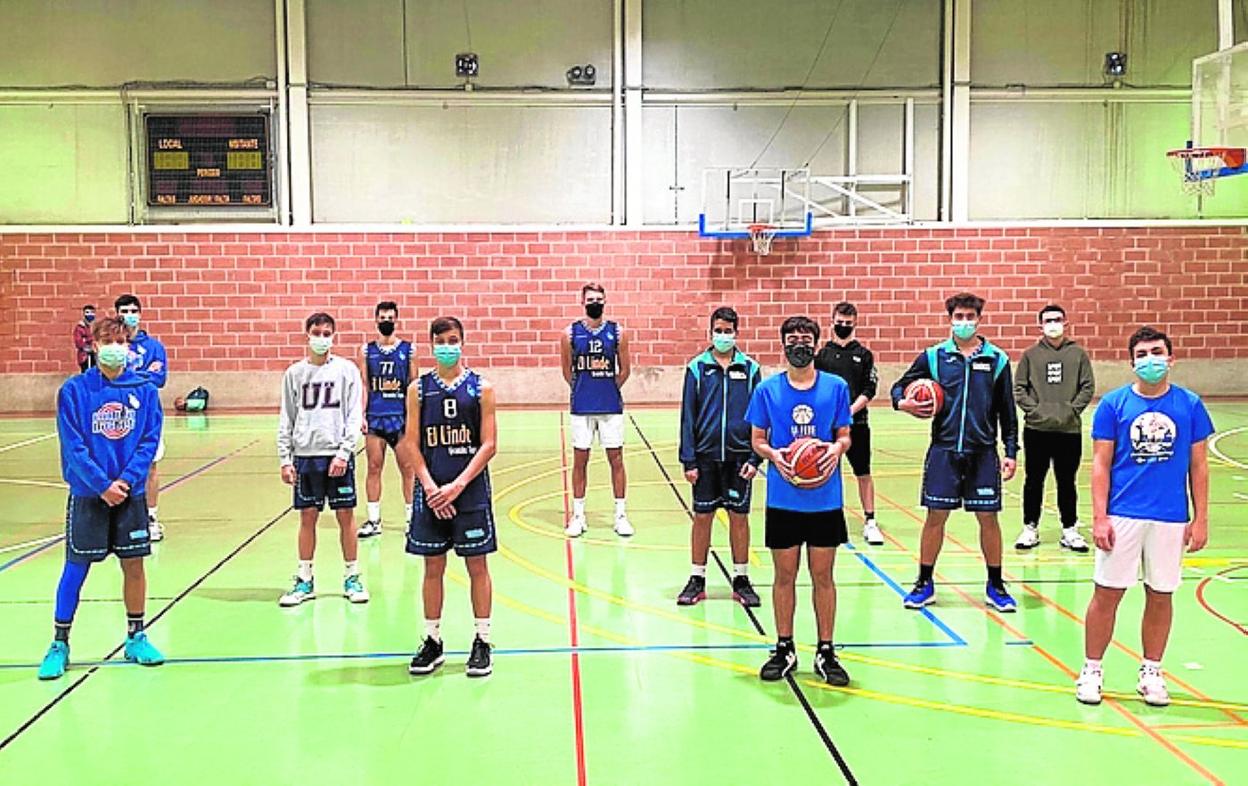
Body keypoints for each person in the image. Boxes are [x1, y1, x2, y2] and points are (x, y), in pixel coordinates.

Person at [1075, 327, 1212, 707]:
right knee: (1107, 593)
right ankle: (1091, 669)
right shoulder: (1114, 406)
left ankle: (1151, 670)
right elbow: (1101, 464)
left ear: (1171, 358)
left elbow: (1199, 467)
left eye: (1157, 352)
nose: (1150, 359)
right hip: (1123, 514)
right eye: (1142, 354)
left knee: (1161, 594)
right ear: (1132, 362)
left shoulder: (1190, 405)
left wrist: (1200, 519)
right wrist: (1100, 518)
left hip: (1169, 517)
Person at [38, 316, 165, 680]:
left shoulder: (144, 390)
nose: (114, 348)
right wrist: (101, 484)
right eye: (107, 341)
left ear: (129, 346)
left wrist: (125, 481)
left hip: (130, 494)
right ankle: (60, 642)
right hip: (89, 496)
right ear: (94, 346)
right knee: (75, 570)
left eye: (121, 341)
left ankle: (136, 636)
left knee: (134, 567)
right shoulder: (75, 391)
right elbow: (73, 446)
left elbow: (148, 442)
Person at [892, 292, 1019, 613]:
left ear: (979, 319)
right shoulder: (934, 357)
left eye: (970, 317)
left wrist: (1011, 450)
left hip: (982, 451)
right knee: (935, 517)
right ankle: (924, 582)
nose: (964, 322)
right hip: (944, 450)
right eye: (958, 317)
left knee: (988, 518)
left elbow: (1007, 411)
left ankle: (996, 584)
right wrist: (903, 402)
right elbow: (899, 386)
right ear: (950, 320)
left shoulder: (997, 360)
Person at [746, 316, 852, 686]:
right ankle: (784, 646)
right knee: (784, 575)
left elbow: (844, 435)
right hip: (783, 496)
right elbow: (758, 439)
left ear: (816, 343)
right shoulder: (767, 390)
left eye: (806, 339)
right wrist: (776, 457)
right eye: (792, 339)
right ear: (783, 344)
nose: (799, 344)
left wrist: (834, 450)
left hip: (824, 498)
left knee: (823, 575)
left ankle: (826, 650)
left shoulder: (836, 387)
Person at [404, 317, 499, 677]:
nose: (448, 345)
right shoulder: (419, 390)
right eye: (441, 340)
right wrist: (429, 487)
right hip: (431, 492)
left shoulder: (481, 388)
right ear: (431, 345)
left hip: (469, 490)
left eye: (453, 339)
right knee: (433, 566)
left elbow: (489, 444)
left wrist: (457, 486)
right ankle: (432, 640)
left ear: (463, 342)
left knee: (477, 565)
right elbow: (411, 443)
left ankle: (482, 639)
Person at [276, 313, 368, 607]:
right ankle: (305, 579)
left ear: (334, 335)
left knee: (345, 516)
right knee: (307, 518)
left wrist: (345, 451)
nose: (321, 337)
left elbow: (354, 416)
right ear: (307, 334)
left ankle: (352, 576)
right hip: (306, 456)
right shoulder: (294, 374)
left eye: (327, 332)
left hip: (336, 455)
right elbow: (286, 417)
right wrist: (285, 458)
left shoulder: (346, 370)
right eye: (316, 332)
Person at [677, 307, 763, 608]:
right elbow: (687, 416)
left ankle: (741, 579)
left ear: (736, 332)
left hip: (739, 458)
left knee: (739, 518)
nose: (723, 335)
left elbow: (760, 417)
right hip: (705, 457)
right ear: (710, 332)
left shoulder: (750, 369)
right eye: (719, 330)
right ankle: (696, 578)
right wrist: (688, 460)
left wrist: (755, 458)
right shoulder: (697, 368)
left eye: (728, 330)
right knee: (703, 517)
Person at [1013, 304, 1095, 552]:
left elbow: (1087, 387)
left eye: (1057, 319)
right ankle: (1030, 528)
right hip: (1037, 430)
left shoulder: (1078, 354)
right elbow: (1019, 388)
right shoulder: (1030, 355)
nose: (1053, 324)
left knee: (1066, 481)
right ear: (1040, 326)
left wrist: (1070, 411)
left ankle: (1069, 529)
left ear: (1066, 323)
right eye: (1048, 320)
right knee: (1034, 480)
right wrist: (1036, 411)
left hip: (1068, 431)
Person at [561, 283, 632, 538]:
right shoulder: (570, 334)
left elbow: (625, 370)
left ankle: (620, 515)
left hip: (610, 406)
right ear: (582, 301)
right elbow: (567, 371)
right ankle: (578, 516)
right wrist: (584, 388)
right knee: (580, 460)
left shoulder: (618, 332)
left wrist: (607, 388)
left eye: (599, 298)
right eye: (590, 298)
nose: (595, 302)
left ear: (605, 301)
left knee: (616, 459)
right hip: (581, 407)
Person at [815, 301, 883, 545]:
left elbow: (870, 387)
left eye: (848, 324)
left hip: (858, 424)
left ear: (855, 324)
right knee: (827, 471)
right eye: (839, 323)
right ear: (832, 322)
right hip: (828, 427)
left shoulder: (863, 355)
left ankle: (871, 521)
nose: (843, 327)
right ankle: (829, 518)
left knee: (863, 472)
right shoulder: (822, 355)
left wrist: (849, 411)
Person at [358, 300, 416, 538]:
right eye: (382, 318)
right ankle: (374, 520)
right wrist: (361, 414)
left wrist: (414, 418)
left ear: (396, 319)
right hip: (375, 417)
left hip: (400, 418)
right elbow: (364, 384)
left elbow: (413, 385)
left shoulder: (408, 350)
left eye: (390, 318)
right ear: (375, 320)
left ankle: (412, 521)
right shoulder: (366, 351)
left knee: (408, 468)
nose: (386, 321)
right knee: (373, 467)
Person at [115, 295, 169, 542]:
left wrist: (131, 376)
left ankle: (151, 516)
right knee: (119, 463)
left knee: (151, 465)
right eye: (124, 310)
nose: (129, 314)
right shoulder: (112, 346)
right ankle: (118, 515)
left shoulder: (155, 347)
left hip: (148, 413)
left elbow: (158, 379)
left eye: (133, 310)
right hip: (118, 412)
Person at [73, 305, 96, 372]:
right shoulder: (80, 327)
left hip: (95, 354)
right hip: (84, 355)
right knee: (85, 371)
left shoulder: (96, 326)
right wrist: (88, 341)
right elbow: (78, 342)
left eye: (92, 312)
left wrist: (87, 339)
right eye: (87, 312)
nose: (90, 314)